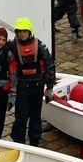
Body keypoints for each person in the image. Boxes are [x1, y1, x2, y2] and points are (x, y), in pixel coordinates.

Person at [10, 17, 55, 147]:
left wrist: (49, 88)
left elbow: (49, 66)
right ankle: (18, 141)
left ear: (30, 31)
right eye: (19, 31)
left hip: (37, 86)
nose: (22, 34)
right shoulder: (13, 46)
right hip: (22, 87)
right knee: (21, 116)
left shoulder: (40, 46)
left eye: (24, 31)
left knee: (35, 115)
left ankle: (34, 140)